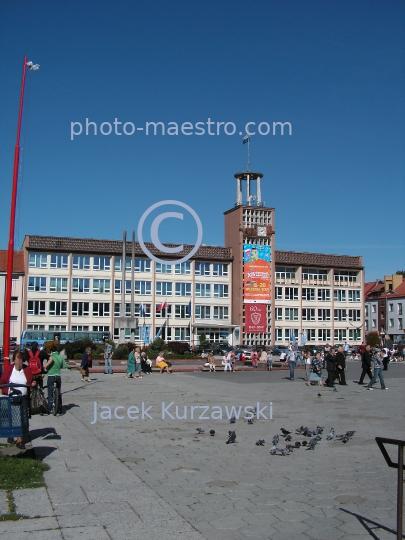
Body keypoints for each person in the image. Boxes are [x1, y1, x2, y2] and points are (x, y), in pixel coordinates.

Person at [0, 352, 36, 449]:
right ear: (14, 361)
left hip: (23, 399)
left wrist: (33, 384)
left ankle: (19, 438)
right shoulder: (9, 369)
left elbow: (30, 381)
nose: (18, 363)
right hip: (10, 398)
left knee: (19, 418)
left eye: (20, 361)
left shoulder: (27, 370)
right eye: (17, 360)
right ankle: (13, 436)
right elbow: (2, 380)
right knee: (13, 418)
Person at [44, 347, 70, 413]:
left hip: (51, 376)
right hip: (58, 376)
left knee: (50, 392)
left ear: (51, 351)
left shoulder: (50, 357)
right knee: (58, 391)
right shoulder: (60, 357)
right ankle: (59, 407)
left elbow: (47, 367)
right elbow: (64, 366)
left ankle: (49, 408)